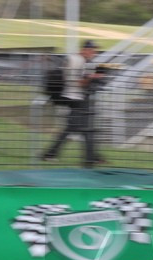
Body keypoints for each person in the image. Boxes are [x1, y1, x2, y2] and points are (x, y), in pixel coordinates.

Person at [42, 40, 105, 168]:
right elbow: (78, 83)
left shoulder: (75, 59)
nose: (94, 54)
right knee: (85, 129)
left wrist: (90, 76)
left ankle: (92, 157)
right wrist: (93, 77)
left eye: (95, 51)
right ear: (85, 50)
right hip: (75, 98)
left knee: (76, 128)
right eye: (93, 51)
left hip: (74, 98)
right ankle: (91, 158)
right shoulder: (78, 61)